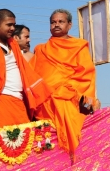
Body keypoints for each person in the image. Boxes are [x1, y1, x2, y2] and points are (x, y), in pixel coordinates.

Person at [32, 9, 98, 156]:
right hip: (45, 102)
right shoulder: (41, 49)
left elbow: (85, 74)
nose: (56, 25)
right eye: (53, 22)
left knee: (67, 112)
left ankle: (73, 154)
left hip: (67, 98)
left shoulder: (78, 46)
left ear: (69, 25)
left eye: (61, 22)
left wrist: (65, 89)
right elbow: (32, 76)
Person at [0, 9, 50, 130]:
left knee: (25, 143)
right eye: (9, 25)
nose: (13, 28)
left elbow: (25, 71)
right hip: (2, 103)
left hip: (19, 102)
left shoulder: (12, 43)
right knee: (6, 145)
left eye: (14, 24)